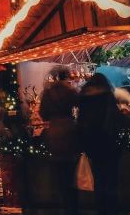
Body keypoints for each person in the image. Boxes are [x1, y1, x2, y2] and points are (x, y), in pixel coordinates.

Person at [78, 73, 122, 215]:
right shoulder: (107, 96)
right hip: (108, 141)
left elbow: (81, 122)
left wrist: (84, 143)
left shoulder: (84, 98)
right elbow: (115, 119)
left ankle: (101, 209)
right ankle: (112, 209)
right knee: (111, 179)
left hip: (92, 143)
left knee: (98, 179)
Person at [39, 67, 79, 215]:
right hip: (69, 130)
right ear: (66, 76)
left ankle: (65, 206)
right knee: (72, 175)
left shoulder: (47, 93)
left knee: (61, 177)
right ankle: (73, 208)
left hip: (54, 132)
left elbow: (43, 113)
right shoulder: (70, 91)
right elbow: (80, 104)